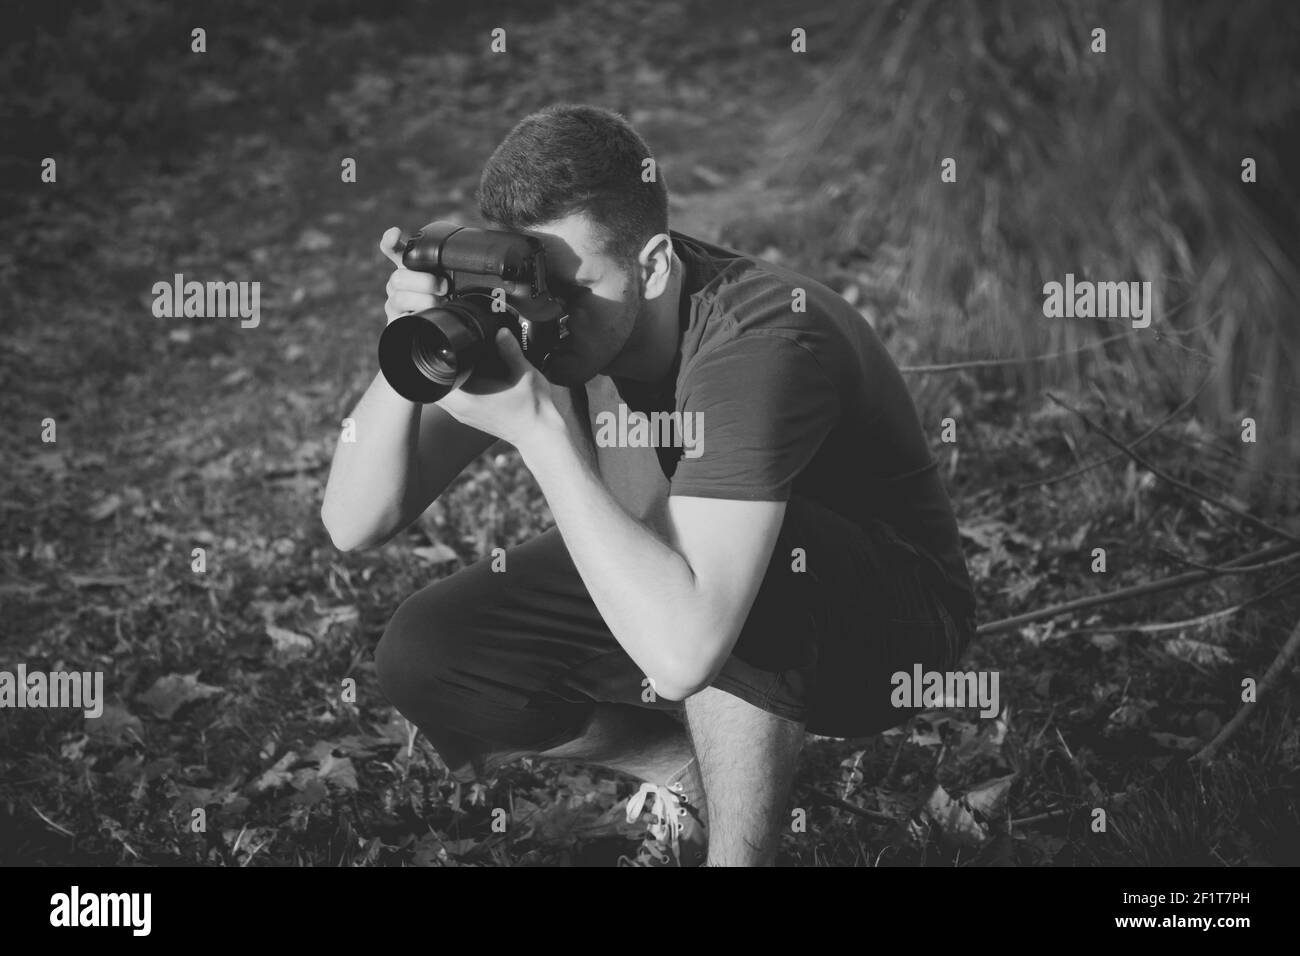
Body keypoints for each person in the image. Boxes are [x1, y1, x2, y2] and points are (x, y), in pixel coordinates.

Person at [320, 103, 977, 866]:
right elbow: (352, 520)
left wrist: (540, 431)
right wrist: (419, 335)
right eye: (521, 280)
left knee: (742, 572)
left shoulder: (758, 340)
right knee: (430, 651)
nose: (541, 319)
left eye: (566, 285)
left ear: (655, 264)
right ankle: (686, 773)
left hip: (886, 631)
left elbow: (683, 656)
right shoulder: (531, 314)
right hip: (688, 584)